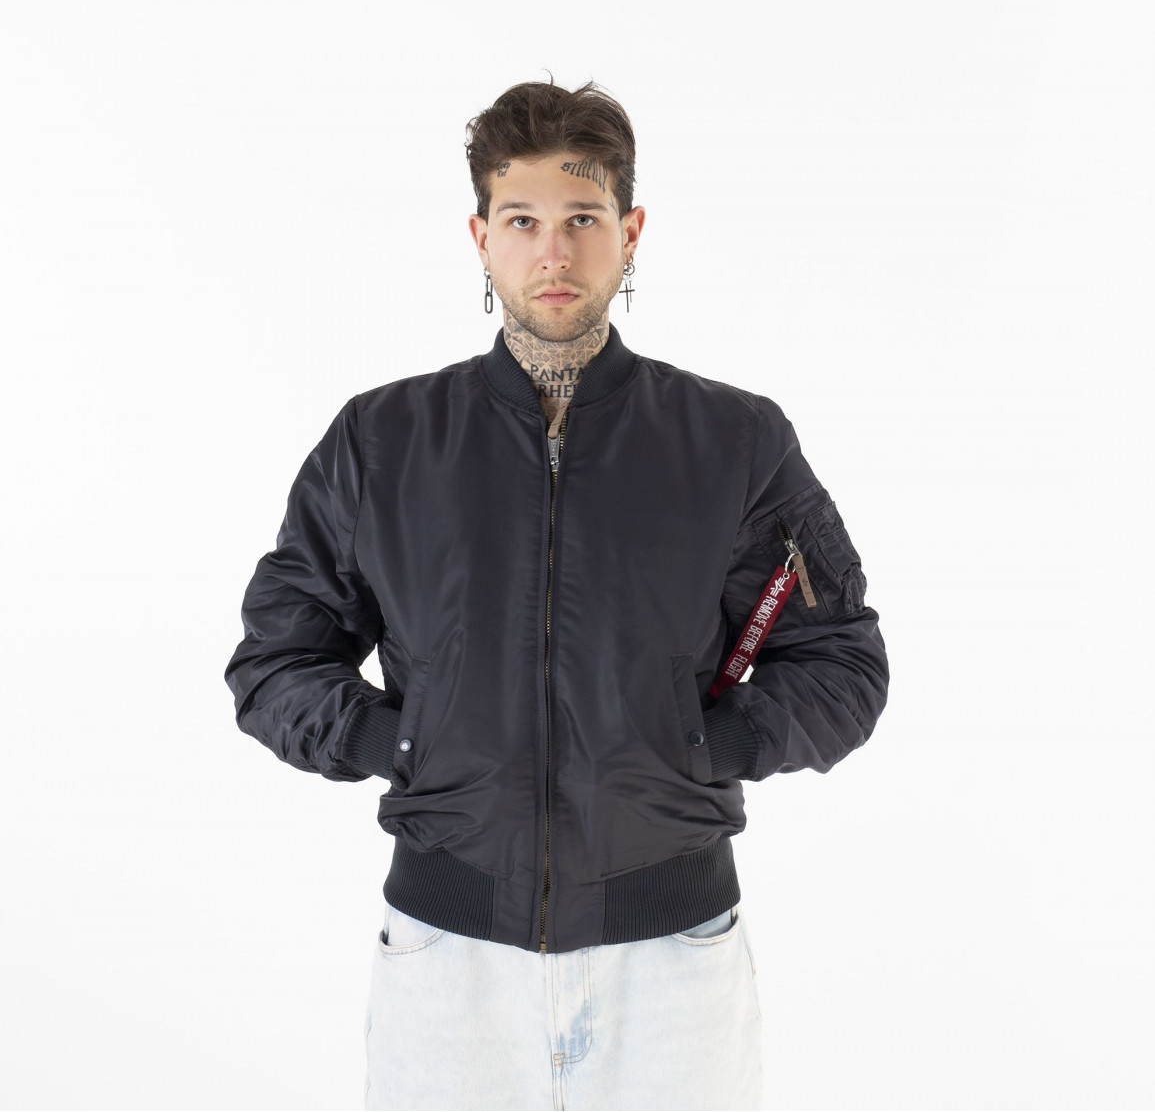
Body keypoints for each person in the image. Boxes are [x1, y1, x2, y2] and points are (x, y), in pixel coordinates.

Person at [224, 75, 890, 1111]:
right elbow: (275, 662)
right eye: (522, 220)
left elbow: (842, 660)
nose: (554, 252)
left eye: (582, 218)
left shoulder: (734, 442)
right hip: (447, 961)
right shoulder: (383, 442)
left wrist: (708, 744)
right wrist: (397, 740)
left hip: (674, 964)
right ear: (480, 238)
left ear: (630, 233)